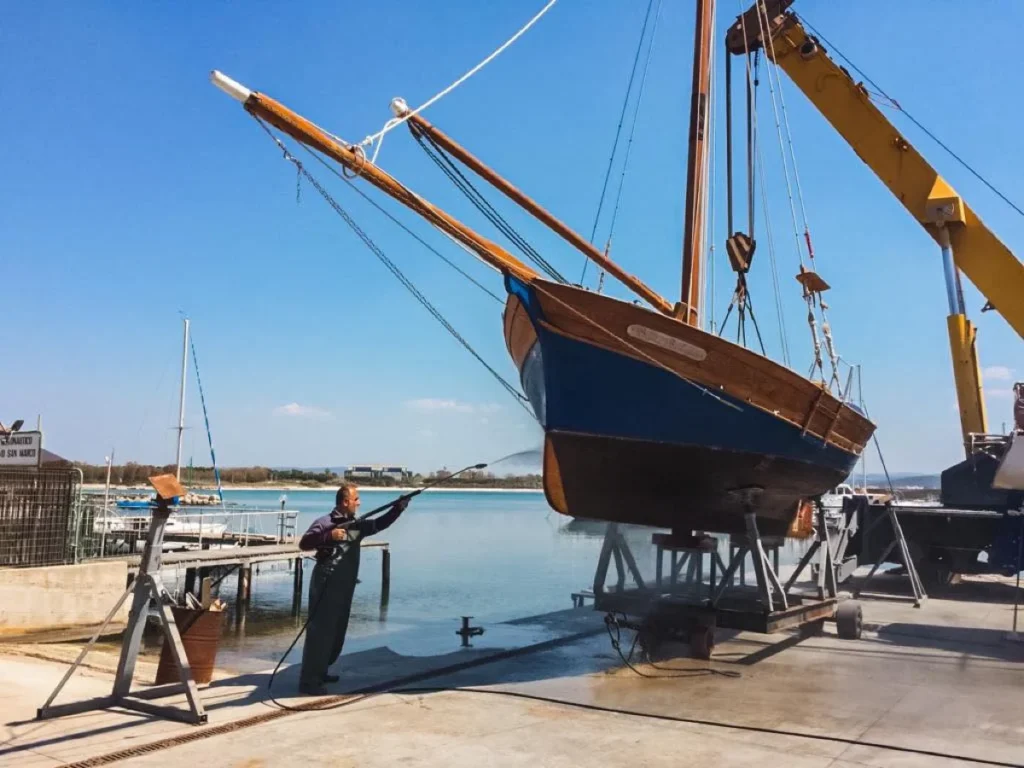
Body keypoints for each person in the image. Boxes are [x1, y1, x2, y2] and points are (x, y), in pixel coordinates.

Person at [297, 482, 408, 695]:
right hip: (325, 584)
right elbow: (305, 543)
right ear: (345, 501)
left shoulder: (356, 525)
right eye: (356, 499)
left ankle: (321, 671)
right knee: (321, 632)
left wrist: (398, 509)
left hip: (345, 586)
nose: (359, 503)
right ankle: (309, 681)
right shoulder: (324, 523)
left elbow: (379, 523)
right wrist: (329, 536)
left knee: (337, 632)